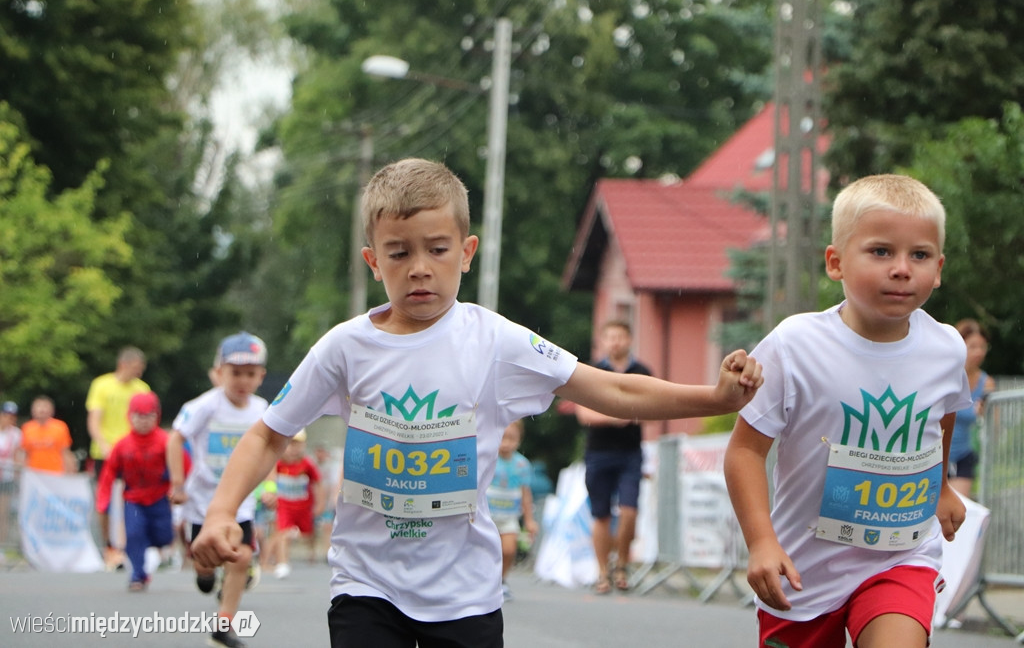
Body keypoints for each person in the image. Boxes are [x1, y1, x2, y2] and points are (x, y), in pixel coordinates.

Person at [191, 157, 762, 648]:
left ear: (466, 252)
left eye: (437, 249)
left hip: (465, 592)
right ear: (373, 262)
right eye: (398, 254)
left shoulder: (497, 341)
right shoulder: (345, 348)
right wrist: (220, 512)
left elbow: (611, 387)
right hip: (366, 584)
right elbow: (268, 433)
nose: (419, 267)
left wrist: (713, 396)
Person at [723, 174, 972, 648]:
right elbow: (745, 452)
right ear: (835, 263)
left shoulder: (946, 348)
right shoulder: (794, 345)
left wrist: (940, 489)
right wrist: (760, 542)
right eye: (881, 251)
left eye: (919, 255)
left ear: (938, 268)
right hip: (803, 568)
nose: (902, 269)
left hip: (901, 555)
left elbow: (941, 417)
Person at [167, 332, 269, 648]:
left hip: (241, 500)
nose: (242, 381)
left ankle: (224, 625)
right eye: (235, 372)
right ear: (220, 372)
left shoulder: (262, 408)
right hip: (203, 501)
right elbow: (175, 439)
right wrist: (178, 484)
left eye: (250, 374)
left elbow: (271, 447)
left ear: (261, 376)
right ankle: (206, 574)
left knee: (239, 558)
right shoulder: (205, 406)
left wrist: (269, 485)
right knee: (206, 563)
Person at [574, 319, 651, 593]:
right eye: (611, 337)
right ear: (603, 341)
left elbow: (652, 406)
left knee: (630, 511)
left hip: (631, 453)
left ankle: (622, 563)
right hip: (599, 452)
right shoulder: (593, 372)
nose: (616, 342)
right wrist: (616, 417)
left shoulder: (642, 371)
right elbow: (584, 414)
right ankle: (602, 572)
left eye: (621, 336)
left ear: (629, 339)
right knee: (601, 515)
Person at [95, 391, 174, 591]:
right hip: (134, 499)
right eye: (139, 415)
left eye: (149, 416)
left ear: (157, 416)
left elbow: (184, 466)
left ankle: (146, 545)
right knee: (134, 533)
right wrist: (103, 501)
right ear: (130, 417)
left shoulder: (166, 442)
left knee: (164, 537)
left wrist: (179, 487)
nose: (144, 421)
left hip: (159, 498)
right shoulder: (122, 445)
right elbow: (108, 474)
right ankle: (137, 575)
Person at [86, 346, 149, 567]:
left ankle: (125, 547)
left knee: (130, 501)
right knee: (103, 502)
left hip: (132, 455)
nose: (138, 373)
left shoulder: (141, 389)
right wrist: (103, 444)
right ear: (123, 364)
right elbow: (94, 419)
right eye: (135, 368)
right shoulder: (102, 385)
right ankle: (108, 546)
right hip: (105, 453)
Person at [486, 419, 537, 600]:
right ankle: (486, 583)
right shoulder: (488, 458)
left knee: (508, 550)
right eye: (503, 438)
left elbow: (525, 493)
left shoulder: (522, 465)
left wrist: (529, 520)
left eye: (512, 439)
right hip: (488, 515)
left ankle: (502, 580)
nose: (506, 443)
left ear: (519, 440)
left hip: (509, 517)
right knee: (486, 552)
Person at [948, 318, 996, 498]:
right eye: (973, 346)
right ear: (959, 346)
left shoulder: (987, 383)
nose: (979, 352)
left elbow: (994, 429)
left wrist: (985, 417)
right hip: (932, 457)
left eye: (983, 347)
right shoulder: (944, 375)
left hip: (963, 455)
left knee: (958, 512)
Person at [271, 428, 323, 579]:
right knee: (282, 533)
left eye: (297, 445)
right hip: (284, 505)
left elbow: (318, 484)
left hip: (303, 507)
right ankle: (282, 563)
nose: (293, 449)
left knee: (306, 535)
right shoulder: (279, 463)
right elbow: (271, 478)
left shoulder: (307, 464)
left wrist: (319, 504)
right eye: (290, 444)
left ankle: (309, 551)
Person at [18, 396, 75, 474]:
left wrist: (70, 470)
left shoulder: (60, 427)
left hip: (55, 473)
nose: (42, 410)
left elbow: (65, 451)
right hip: (33, 474)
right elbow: (24, 453)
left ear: (52, 410)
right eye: (39, 406)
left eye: (45, 406)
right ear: (33, 410)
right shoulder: (27, 428)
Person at [0, 401, 22, 548]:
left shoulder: (16, 434)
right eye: (6, 415)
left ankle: (1, 546)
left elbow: (17, 457)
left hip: (6, 478)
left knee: (3, 514)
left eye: (12, 416)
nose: (8, 419)